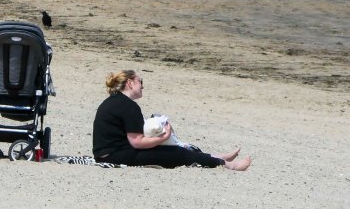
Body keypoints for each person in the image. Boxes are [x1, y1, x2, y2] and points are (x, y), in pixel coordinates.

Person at [93, 70, 250, 170]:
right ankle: (230, 165)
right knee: (177, 153)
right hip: (116, 156)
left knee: (175, 149)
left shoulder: (115, 101)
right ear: (130, 83)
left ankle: (217, 157)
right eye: (141, 81)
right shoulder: (128, 106)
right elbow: (137, 142)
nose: (142, 86)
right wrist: (164, 137)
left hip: (108, 153)